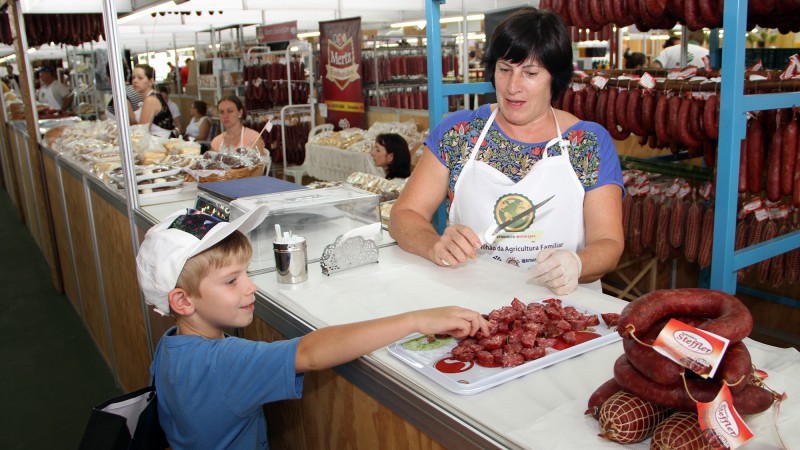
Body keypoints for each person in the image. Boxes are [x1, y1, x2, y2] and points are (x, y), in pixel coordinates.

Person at [136, 206, 488, 449]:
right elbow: (310, 352)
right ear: (182, 301)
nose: (250, 286)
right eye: (231, 281)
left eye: (245, 273)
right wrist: (417, 319)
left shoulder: (170, 347)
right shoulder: (223, 363)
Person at [388, 7, 624, 296]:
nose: (513, 87)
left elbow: (609, 243)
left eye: (530, 73)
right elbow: (405, 214)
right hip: (472, 305)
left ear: (555, 77)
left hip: (567, 311)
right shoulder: (459, 133)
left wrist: (577, 263)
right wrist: (434, 244)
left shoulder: (587, 143)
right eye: (504, 69)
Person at [131, 64, 176, 138]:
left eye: (140, 78)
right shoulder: (149, 97)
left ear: (151, 81)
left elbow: (142, 131)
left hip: (160, 143)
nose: (135, 81)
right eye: (133, 77)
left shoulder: (151, 100)